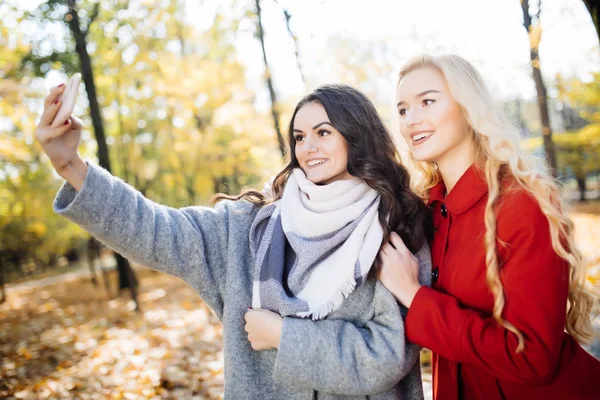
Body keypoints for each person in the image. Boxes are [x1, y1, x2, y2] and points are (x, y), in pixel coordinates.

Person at [35, 83, 433, 399]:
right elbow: (154, 229)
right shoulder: (249, 228)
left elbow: (387, 353)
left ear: (357, 136)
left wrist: (283, 336)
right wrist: (69, 164)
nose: (308, 147)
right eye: (299, 136)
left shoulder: (396, 227)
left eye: (323, 132)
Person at [379, 53, 600, 400]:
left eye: (427, 101)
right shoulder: (425, 213)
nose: (411, 120)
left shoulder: (522, 204)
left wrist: (413, 295)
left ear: (469, 107)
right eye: (403, 109)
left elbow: (533, 358)